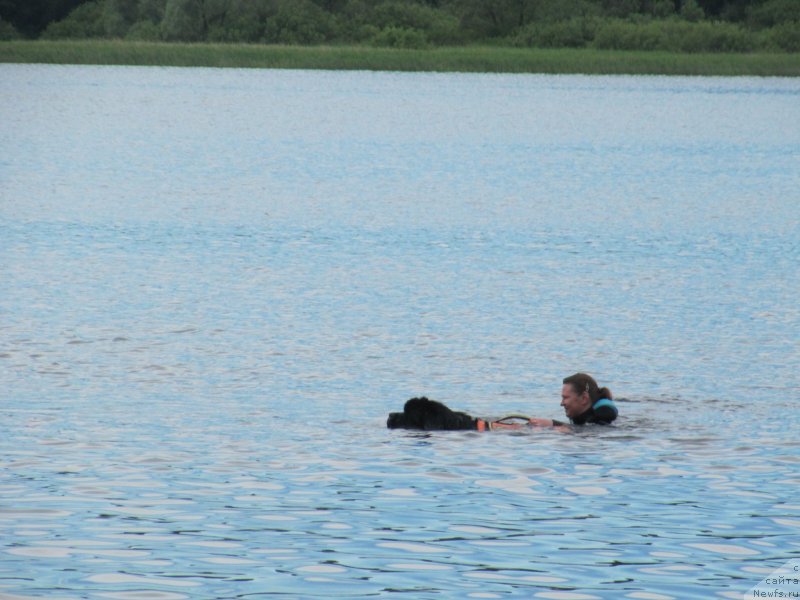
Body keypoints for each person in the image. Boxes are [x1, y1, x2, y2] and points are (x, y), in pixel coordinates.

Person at [386, 372, 618, 431]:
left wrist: (555, 426)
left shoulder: (601, 421)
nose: (561, 403)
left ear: (584, 398)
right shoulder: (589, 417)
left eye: (565, 398)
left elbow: (590, 432)